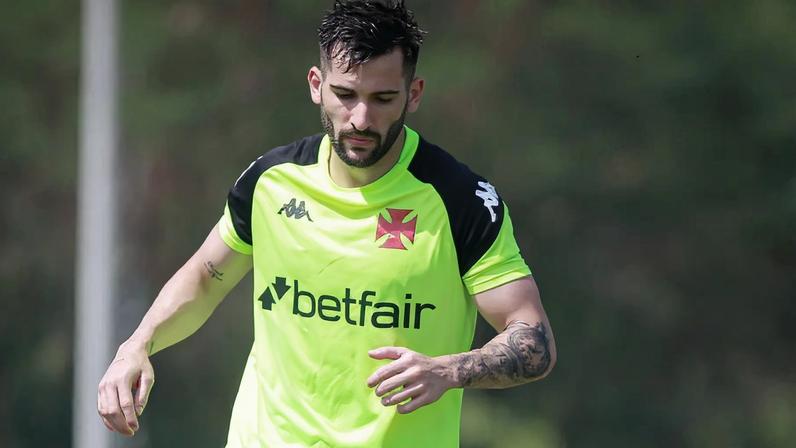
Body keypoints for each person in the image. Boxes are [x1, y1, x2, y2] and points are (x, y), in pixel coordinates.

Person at [97, 1, 557, 446]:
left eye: (382, 99)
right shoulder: (271, 182)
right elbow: (204, 278)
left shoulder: (459, 201)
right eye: (345, 94)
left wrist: (447, 370)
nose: (360, 118)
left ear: (413, 95)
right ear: (316, 84)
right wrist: (138, 344)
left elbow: (533, 339)